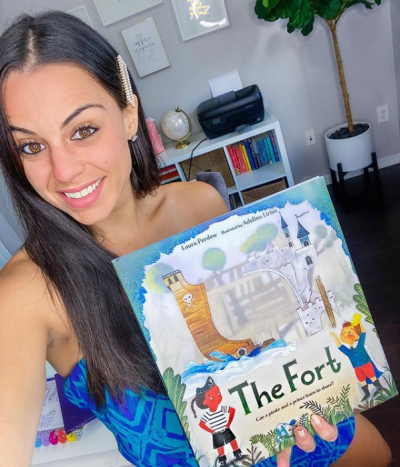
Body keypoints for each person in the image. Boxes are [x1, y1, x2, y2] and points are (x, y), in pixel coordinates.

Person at [0, 10, 392, 467]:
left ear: (129, 114)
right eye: (32, 146)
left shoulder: (198, 204)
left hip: (309, 438)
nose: (64, 170)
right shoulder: (25, 294)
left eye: (83, 130)